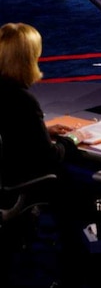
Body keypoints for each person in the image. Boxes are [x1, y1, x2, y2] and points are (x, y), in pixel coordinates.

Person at [0, 23, 88, 225]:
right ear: (27, 60)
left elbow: (8, 132)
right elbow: (48, 158)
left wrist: (42, 130)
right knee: (79, 186)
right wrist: (74, 139)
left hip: (5, 179)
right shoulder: (22, 101)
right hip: (16, 187)